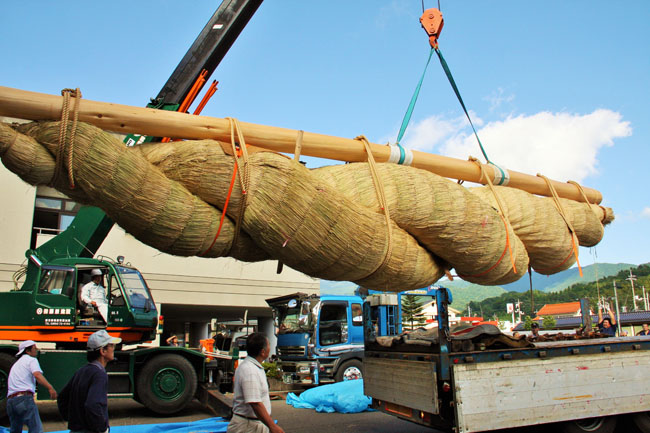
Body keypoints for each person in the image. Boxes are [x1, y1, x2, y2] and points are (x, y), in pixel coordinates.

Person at [57, 330, 121, 433]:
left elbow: (62, 397)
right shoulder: (99, 374)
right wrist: (102, 428)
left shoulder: (81, 371)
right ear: (102, 351)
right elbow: (93, 404)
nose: (114, 348)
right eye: (111, 345)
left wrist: (73, 420)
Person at [227, 333, 285, 433]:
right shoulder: (250, 370)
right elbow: (255, 403)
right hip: (248, 426)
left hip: (254, 424)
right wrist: (273, 426)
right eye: (269, 346)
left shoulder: (253, 367)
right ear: (263, 352)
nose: (270, 348)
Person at [6, 340, 57, 433]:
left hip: (10, 402)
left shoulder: (17, 364)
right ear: (27, 351)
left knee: (15, 430)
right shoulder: (31, 360)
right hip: (24, 399)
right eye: (34, 348)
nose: (36, 349)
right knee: (36, 429)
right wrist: (50, 388)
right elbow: (37, 375)